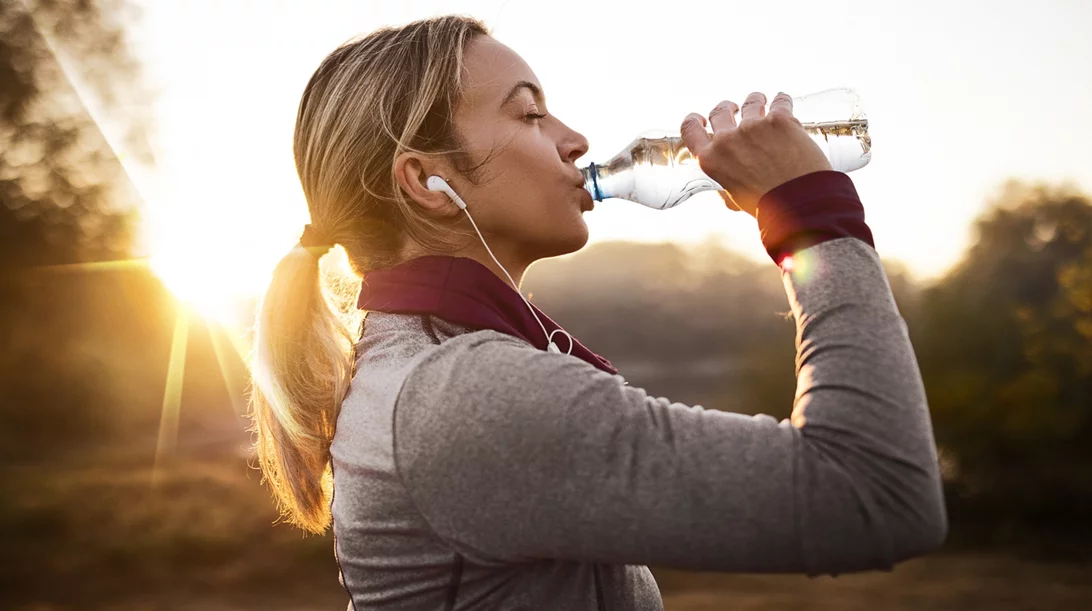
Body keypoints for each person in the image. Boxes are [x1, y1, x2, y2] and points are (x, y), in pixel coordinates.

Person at [247, 14, 947, 611]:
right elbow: (876, 492)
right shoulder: (463, 393)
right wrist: (809, 210)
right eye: (529, 113)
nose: (575, 139)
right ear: (429, 181)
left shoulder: (427, 367)